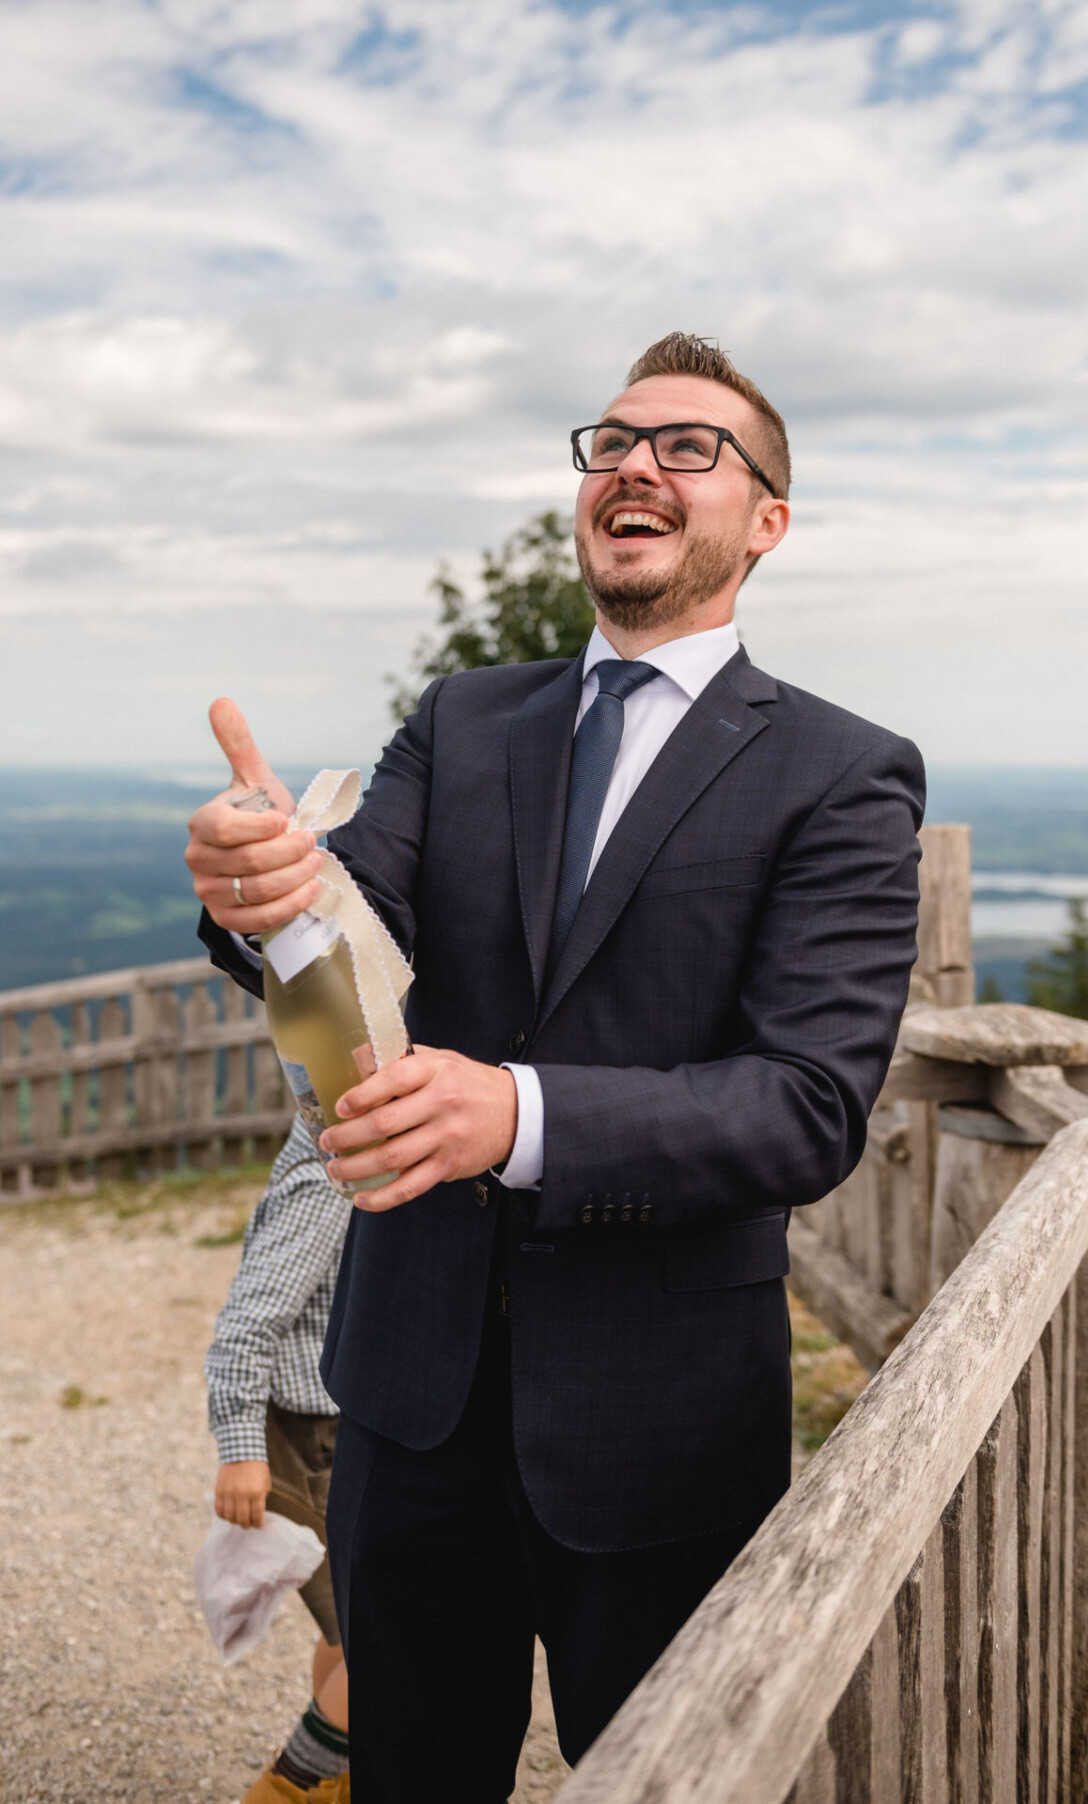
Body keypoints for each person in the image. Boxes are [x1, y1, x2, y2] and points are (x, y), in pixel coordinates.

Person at [186, 332, 925, 1804]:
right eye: (610, 442)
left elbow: (808, 1102)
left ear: (766, 519)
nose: (634, 464)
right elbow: (352, 924)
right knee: (411, 1776)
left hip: (661, 1421)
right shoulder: (465, 721)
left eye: (688, 446)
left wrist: (511, 1114)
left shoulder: (844, 773)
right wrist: (263, 888)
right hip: (407, 1396)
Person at [205, 1115, 352, 1804]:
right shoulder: (331, 1178)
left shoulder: (334, 1154)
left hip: (326, 1427)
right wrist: (240, 1449)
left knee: (346, 1626)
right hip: (317, 1438)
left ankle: (346, 1773)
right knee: (383, 1635)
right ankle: (295, 1786)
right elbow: (244, 1324)